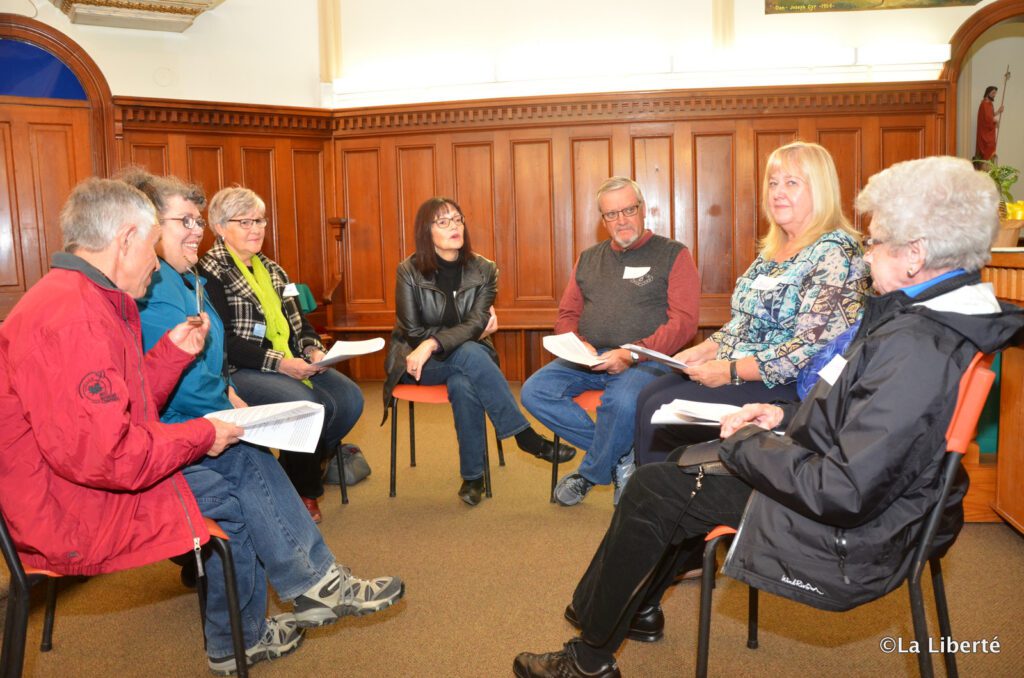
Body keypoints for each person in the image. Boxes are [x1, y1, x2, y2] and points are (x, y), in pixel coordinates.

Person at [511, 155, 1024, 678]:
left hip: (852, 530)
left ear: (915, 255)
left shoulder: (917, 347)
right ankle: (614, 616)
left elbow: (844, 489)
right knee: (672, 468)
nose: (865, 256)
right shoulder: (921, 323)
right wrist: (779, 414)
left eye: (874, 243)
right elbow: (849, 416)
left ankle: (589, 655)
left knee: (658, 486)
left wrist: (744, 444)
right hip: (833, 476)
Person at [0, 178, 404, 676]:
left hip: (74, 480)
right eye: (152, 245)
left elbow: (125, 412)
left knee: (240, 459)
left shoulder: (77, 297)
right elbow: (109, 457)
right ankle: (290, 603)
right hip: (70, 504)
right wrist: (203, 434)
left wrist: (169, 357)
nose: (155, 264)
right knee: (236, 479)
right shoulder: (74, 318)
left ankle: (284, 608)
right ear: (125, 239)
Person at [633, 141, 868, 466]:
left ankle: (673, 490)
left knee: (662, 411)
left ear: (820, 190)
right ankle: (652, 488)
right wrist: (704, 350)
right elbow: (743, 324)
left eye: (791, 182)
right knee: (647, 395)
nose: (778, 192)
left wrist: (730, 370)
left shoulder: (834, 252)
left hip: (786, 384)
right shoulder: (771, 252)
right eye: (773, 183)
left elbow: (810, 347)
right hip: (740, 368)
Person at [520, 176, 700, 506]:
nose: (622, 220)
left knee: (622, 404)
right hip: (589, 359)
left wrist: (632, 354)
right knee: (534, 392)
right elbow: (567, 314)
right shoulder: (588, 258)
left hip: (646, 359)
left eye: (628, 210)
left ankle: (590, 473)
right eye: (612, 214)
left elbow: (684, 323)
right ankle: (622, 455)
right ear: (603, 220)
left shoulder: (673, 254)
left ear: (642, 209)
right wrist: (578, 346)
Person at [384, 197, 575, 506]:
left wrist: (436, 341)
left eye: (457, 219)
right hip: (418, 362)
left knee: (464, 380)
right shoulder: (408, 271)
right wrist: (449, 338)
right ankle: (524, 437)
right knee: (470, 352)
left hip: (461, 359)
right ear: (426, 231)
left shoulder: (485, 269)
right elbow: (414, 332)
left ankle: (473, 477)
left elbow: (476, 323)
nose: (454, 226)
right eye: (443, 221)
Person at [200, 186, 364, 524]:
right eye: (245, 222)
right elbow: (225, 341)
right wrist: (281, 364)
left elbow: (300, 322)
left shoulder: (273, 269)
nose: (256, 229)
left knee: (350, 399)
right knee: (307, 408)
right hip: (241, 369)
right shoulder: (209, 272)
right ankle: (304, 490)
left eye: (259, 220)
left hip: (291, 359)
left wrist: (312, 348)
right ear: (219, 227)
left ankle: (290, 473)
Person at [975, 85, 1003, 164]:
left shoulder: (989, 104)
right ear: (988, 93)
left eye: (995, 93)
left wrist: (998, 111)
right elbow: (988, 119)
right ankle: (985, 165)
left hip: (989, 132)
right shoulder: (985, 104)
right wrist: (995, 121)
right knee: (988, 148)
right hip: (985, 134)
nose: (994, 95)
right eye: (993, 93)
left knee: (991, 149)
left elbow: (990, 115)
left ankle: (988, 165)